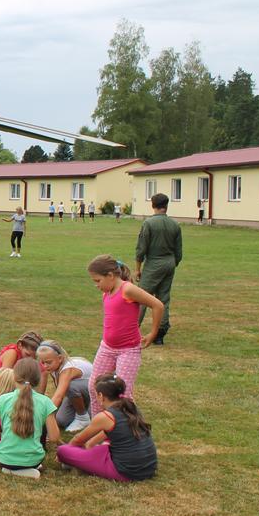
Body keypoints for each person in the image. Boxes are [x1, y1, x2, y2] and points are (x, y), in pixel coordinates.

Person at [86, 255, 164, 415]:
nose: (96, 285)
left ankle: (128, 430)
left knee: (122, 395)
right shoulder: (107, 292)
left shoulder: (127, 289)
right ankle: (100, 427)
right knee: (94, 387)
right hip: (107, 348)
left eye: (97, 281)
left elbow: (157, 305)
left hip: (128, 351)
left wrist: (153, 332)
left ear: (110, 276)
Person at [56, 373, 158, 482]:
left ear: (100, 395)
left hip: (126, 472)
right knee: (100, 449)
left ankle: (72, 458)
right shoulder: (131, 408)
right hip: (148, 467)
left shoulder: (105, 417)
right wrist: (90, 444)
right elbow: (112, 431)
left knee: (63, 450)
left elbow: (78, 439)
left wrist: (65, 454)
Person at [0, 358, 59, 479]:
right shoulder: (46, 402)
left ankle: (11, 470)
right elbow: (54, 438)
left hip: (5, 458)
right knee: (34, 462)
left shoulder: (3, 399)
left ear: (14, 377)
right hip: (34, 459)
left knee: (11, 462)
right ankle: (25, 469)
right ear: (38, 380)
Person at [135, 193, 182, 346]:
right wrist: (172, 262)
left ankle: (132, 329)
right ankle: (160, 333)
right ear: (166, 205)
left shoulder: (148, 223)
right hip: (169, 263)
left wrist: (138, 268)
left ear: (152, 205)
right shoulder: (175, 224)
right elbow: (179, 252)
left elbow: (141, 248)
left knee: (141, 297)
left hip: (154, 263)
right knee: (163, 299)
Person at [36, 341, 93, 432]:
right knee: (60, 420)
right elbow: (40, 394)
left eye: (48, 362)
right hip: (78, 394)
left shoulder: (68, 370)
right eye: (42, 362)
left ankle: (82, 418)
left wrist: (40, 418)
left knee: (71, 386)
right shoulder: (53, 367)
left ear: (60, 358)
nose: (45, 366)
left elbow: (58, 396)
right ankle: (83, 409)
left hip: (94, 394)